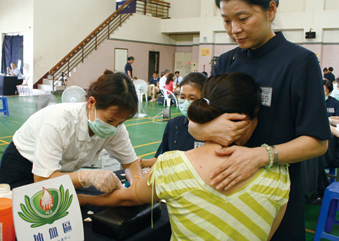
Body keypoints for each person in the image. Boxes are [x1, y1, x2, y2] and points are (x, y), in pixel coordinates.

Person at [187, 0, 330, 240]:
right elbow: (197, 122)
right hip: (226, 187)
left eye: (243, 19)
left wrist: (260, 155)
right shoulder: (227, 62)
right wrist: (204, 129)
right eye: (227, 21)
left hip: (276, 196)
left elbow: (317, 142)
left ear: (271, 10)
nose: (234, 30)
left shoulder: (299, 62)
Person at [78, 73, 290, 240]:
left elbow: (128, 196)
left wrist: (85, 198)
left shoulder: (172, 165)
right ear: (250, 120)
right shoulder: (279, 173)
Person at [0, 71, 142, 192]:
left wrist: (136, 186)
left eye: (120, 122)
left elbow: (130, 163)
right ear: (91, 103)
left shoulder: (116, 127)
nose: (114, 128)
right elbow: (42, 179)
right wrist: (87, 176)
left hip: (57, 173)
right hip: (23, 166)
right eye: (110, 121)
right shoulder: (58, 122)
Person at [139, 72, 207, 167]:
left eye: (191, 98)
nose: (186, 102)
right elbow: (161, 159)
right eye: (182, 97)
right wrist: (141, 162)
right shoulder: (173, 124)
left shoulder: (213, 130)